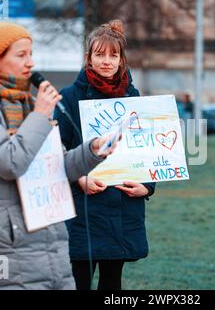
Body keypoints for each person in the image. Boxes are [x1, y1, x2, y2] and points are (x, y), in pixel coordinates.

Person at [0, 21, 116, 290]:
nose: (30, 63)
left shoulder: (29, 104)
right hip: (6, 245)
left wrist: (92, 151)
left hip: (48, 236)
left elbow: (57, 166)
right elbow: (8, 163)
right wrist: (40, 115)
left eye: (31, 53)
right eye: (21, 55)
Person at [54, 19, 156, 290]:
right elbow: (54, 152)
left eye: (114, 55)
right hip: (82, 208)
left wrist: (146, 186)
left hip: (121, 207)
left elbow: (148, 149)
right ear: (88, 57)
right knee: (78, 282)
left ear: (122, 59)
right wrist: (78, 179)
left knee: (112, 284)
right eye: (100, 54)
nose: (107, 61)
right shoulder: (69, 97)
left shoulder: (135, 98)